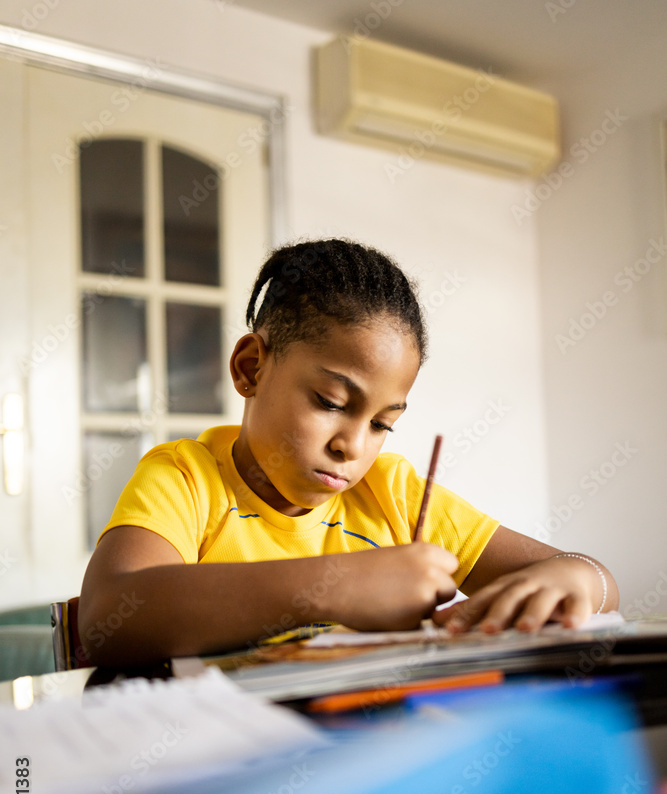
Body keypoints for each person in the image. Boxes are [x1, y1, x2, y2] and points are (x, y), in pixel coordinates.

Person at [79, 239, 618, 664]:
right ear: (251, 368)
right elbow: (109, 618)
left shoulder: (397, 496)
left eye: (383, 424)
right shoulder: (187, 478)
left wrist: (573, 579)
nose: (352, 446)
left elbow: (594, 579)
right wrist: (334, 587)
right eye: (330, 401)